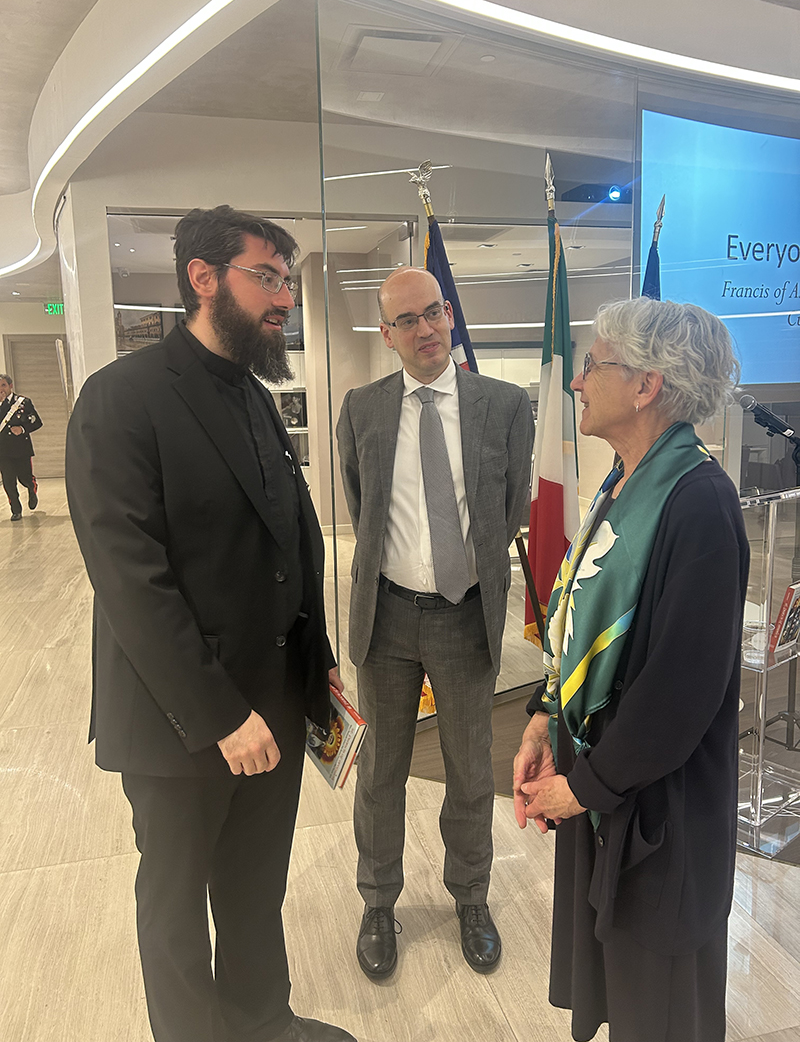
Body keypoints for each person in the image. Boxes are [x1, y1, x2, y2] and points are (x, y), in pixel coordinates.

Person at [66, 206, 356, 1042]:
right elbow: (131, 580)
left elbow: (286, 543)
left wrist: (316, 662)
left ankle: (264, 1019)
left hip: (273, 701)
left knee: (254, 886)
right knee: (176, 904)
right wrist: (221, 714)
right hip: (181, 718)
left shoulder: (261, 401)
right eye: (268, 276)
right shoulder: (122, 398)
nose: (285, 299)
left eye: (288, 282)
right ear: (203, 276)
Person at [513, 297, 749, 1042]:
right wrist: (547, 716)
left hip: (662, 811)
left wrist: (582, 787)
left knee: (661, 1007)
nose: (579, 382)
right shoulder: (626, 481)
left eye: (593, 364)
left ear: (646, 384)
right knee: (624, 987)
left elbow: (680, 693)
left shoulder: (699, 503)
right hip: (613, 787)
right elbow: (584, 624)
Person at [337, 267, 534, 978]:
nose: (423, 330)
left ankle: (471, 897)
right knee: (381, 769)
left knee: (470, 768)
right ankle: (379, 900)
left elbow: (511, 507)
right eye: (405, 321)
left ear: (449, 315)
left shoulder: (505, 405)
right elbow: (363, 506)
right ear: (386, 334)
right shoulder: (361, 408)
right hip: (386, 615)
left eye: (432, 314)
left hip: (464, 615)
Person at [0, 373, 42, 521]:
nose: (0, 389)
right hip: (3, 451)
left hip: (21, 449)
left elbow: (37, 422)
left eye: (3, 385)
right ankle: (16, 510)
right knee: (8, 481)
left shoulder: (23, 402)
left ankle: (32, 487)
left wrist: (22, 429)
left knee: (24, 478)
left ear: (10, 386)